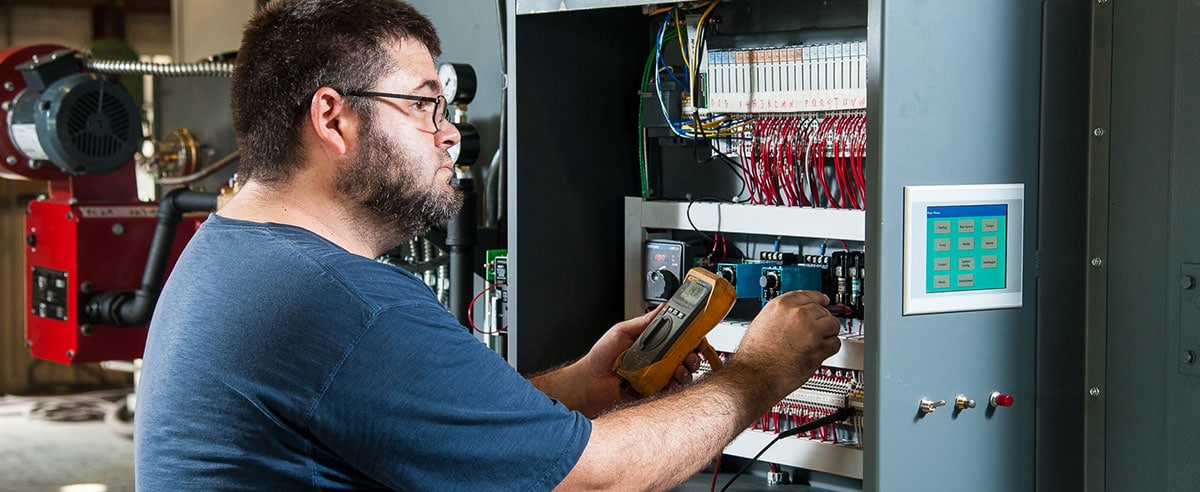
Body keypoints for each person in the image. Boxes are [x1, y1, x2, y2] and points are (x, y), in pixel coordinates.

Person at [133, 0, 842, 490]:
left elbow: (406, 426)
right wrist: (760, 373)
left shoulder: (228, 253)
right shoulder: (341, 303)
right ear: (334, 117)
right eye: (423, 104)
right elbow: (596, 479)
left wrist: (578, 390)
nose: (448, 132)